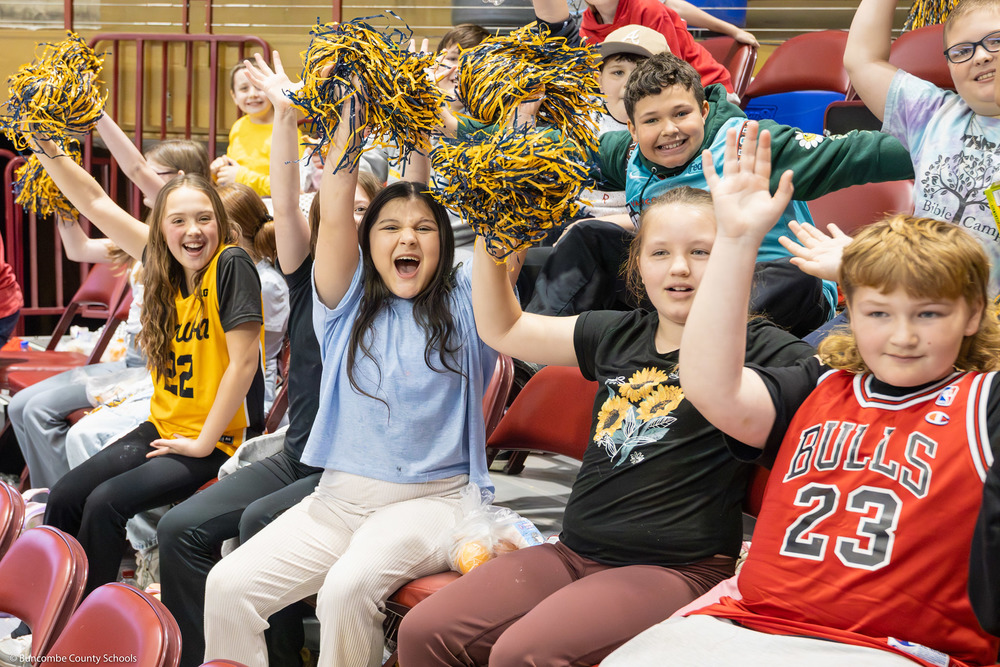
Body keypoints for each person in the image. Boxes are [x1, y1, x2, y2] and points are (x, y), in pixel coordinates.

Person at [603, 122, 1000, 667]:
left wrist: (874, 271)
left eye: (928, 314)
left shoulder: (985, 400)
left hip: (889, 646)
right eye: (878, 313)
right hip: (751, 621)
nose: (903, 337)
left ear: (973, 316)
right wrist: (737, 242)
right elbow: (710, 386)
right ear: (850, 312)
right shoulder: (820, 382)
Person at [396, 182, 815, 664]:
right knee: (424, 630)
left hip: (674, 568)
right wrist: (494, 242)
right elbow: (505, 329)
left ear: (736, 259)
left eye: (701, 252)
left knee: (522, 655)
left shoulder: (765, 347)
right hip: (572, 552)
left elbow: (841, 379)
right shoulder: (618, 332)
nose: (679, 267)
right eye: (660, 252)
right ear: (638, 266)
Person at [201, 82, 500, 667]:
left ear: (444, 243)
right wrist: (350, 109)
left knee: (344, 590)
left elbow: (500, 216)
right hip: (338, 500)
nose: (407, 237)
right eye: (390, 228)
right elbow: (334, 204)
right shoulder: (344, 303)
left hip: (433, 502)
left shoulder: (468, 297)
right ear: (368, 243)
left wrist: (463, 123)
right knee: (228, 585)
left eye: (424, 228)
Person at [157, 50, 381, 667]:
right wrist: (285, 116)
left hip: (351, 466)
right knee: (178, 530)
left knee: (258, 522)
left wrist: (357, 116)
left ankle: (285, 656)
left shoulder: (397, 285)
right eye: (341, 209)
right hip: (298, 450)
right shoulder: (309, 275)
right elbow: (287, 205)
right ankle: (200, 656)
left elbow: (392, 195)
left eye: (365, 210)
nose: (350, 218)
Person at [24, 128, 265, 596]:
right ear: (161, 229)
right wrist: (43, 145)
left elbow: (243, 365)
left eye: (204, 219)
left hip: (215, 440)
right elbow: (95, 202)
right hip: (163, 426)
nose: (193, 230)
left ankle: (91, 619)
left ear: (221, 223)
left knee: (105, 504)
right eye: (179, 221)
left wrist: (203, 443)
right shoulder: (165, 266)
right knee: (68, 495)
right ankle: (50, 607)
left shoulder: (231, 265)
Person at [521, 52, 914, 336]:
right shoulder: (627, 155)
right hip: (678, 288)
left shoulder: (753, 145)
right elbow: (554, 150)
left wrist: (942, 145)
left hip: (765, 287)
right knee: (589, 236)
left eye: (681, 113)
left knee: (797, 277)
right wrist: (492, 133)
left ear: (704, 111)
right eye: (652, 120)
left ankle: (678, 359)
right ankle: (532, 364)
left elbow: (854, 154)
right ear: (633, 129)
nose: (669, 129)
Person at [8, 132, 210, 490]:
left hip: (152, 367)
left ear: (178, 178)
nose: (141, 179)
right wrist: (60, 201)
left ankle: (62, 500)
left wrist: (94, 117)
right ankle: (46, 499)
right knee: (20, 404)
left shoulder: (181, 244)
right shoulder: (146, 232)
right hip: (129, 358)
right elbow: (79, 249)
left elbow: (125, 176)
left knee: (38, 410)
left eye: (154, 172)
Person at [845, 0, 1000, 296]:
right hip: (914, 298)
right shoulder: (932, 115)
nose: (981, 56)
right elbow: (862, 60)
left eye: (996, 41)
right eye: (962, 51)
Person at [530, 0, 735, 94]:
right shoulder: (588, 24)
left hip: (706, 88)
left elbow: (673, 73)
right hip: (638, 99)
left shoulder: (649, 8)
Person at [211, 62, 302, 197]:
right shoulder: (238, 126)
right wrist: (220, 170)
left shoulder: (287, 132)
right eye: (244, 88)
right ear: (234, 96)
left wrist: (241, 178)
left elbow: (295, 187)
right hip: (239, 200)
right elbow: (233, 170)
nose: (252, 94)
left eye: (259, 87)